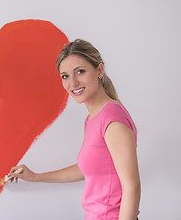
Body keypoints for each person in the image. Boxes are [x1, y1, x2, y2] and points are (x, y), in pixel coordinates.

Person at [9, 39, 141, 220]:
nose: (73, 83)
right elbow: (87, 168)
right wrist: (36, 177)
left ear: (99, 71)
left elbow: (131, 186)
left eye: (80, 71)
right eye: (65, 76)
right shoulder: (92, 119)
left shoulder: (112, 117)